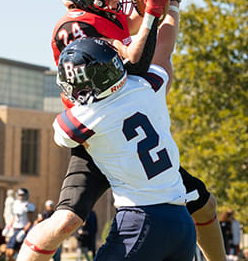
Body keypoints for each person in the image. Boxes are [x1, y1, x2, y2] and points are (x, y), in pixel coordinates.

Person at [18, 0, 224, 261]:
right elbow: (143, 60)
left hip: (124, 132)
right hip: (98, 134)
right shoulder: (75, 28)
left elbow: (153, 39)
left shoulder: (105, 18)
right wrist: (160, 9)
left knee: (203, 203)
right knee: (66, 220)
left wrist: (161, 0)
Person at [51, 32, 198, 261]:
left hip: (141, 218)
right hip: (182, 219)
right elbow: (159, 59)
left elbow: (62, 135)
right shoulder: (148, 83)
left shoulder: (87, 116)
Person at [6, 188, 35, 261]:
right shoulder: (16, 204)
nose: (21, 196)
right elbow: (14, 218)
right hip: (15, 230)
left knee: (17, 251)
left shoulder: (28, 205)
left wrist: (24, 231)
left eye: (23, 195)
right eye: (20, 195)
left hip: (22, 230)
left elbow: (30, 221)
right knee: (8, 252)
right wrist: (8, 227)